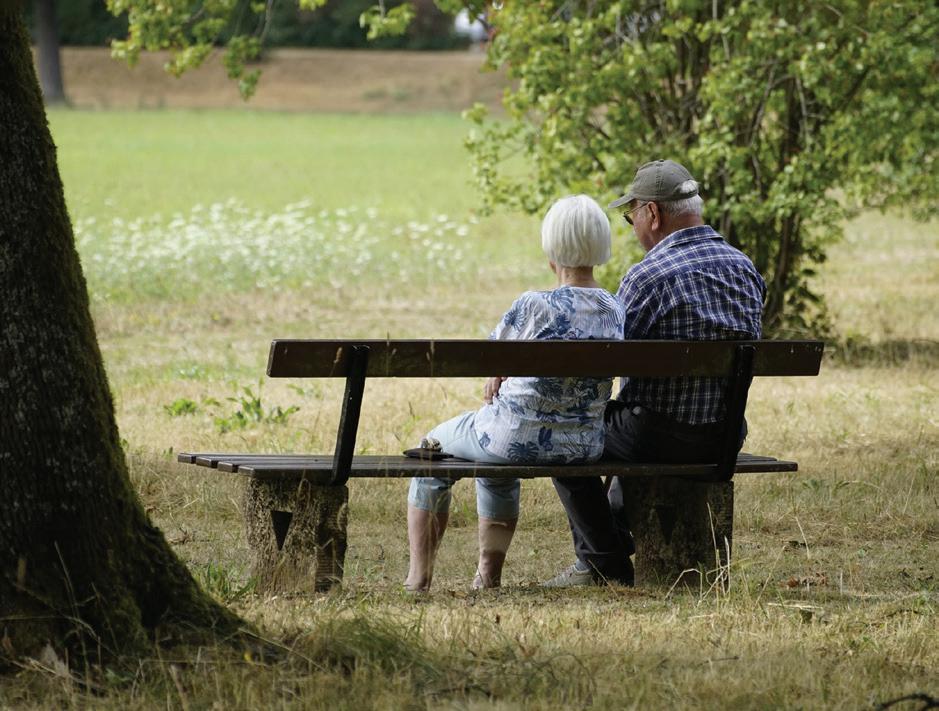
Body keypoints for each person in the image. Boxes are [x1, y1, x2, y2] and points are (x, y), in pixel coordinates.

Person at [544, 160, 767, 587]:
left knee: (563, 433)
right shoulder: (745, 269)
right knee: (630, 419)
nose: (633, 228)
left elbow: (610, 361)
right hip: (723, 435)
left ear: (653, 213)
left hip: (657, 436)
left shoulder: (647, 277)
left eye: (632, 218)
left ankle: (603, 561)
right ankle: (614, 536)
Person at [405, 194, 626, 592]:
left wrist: (499, 372)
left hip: (512, 439)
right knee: (493, 460)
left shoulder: (533, 306)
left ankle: (418, 578)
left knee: (431, 450)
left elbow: (490, 357)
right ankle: (487, 576)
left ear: (551, 250)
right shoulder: (615, 309)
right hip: (582, 446)